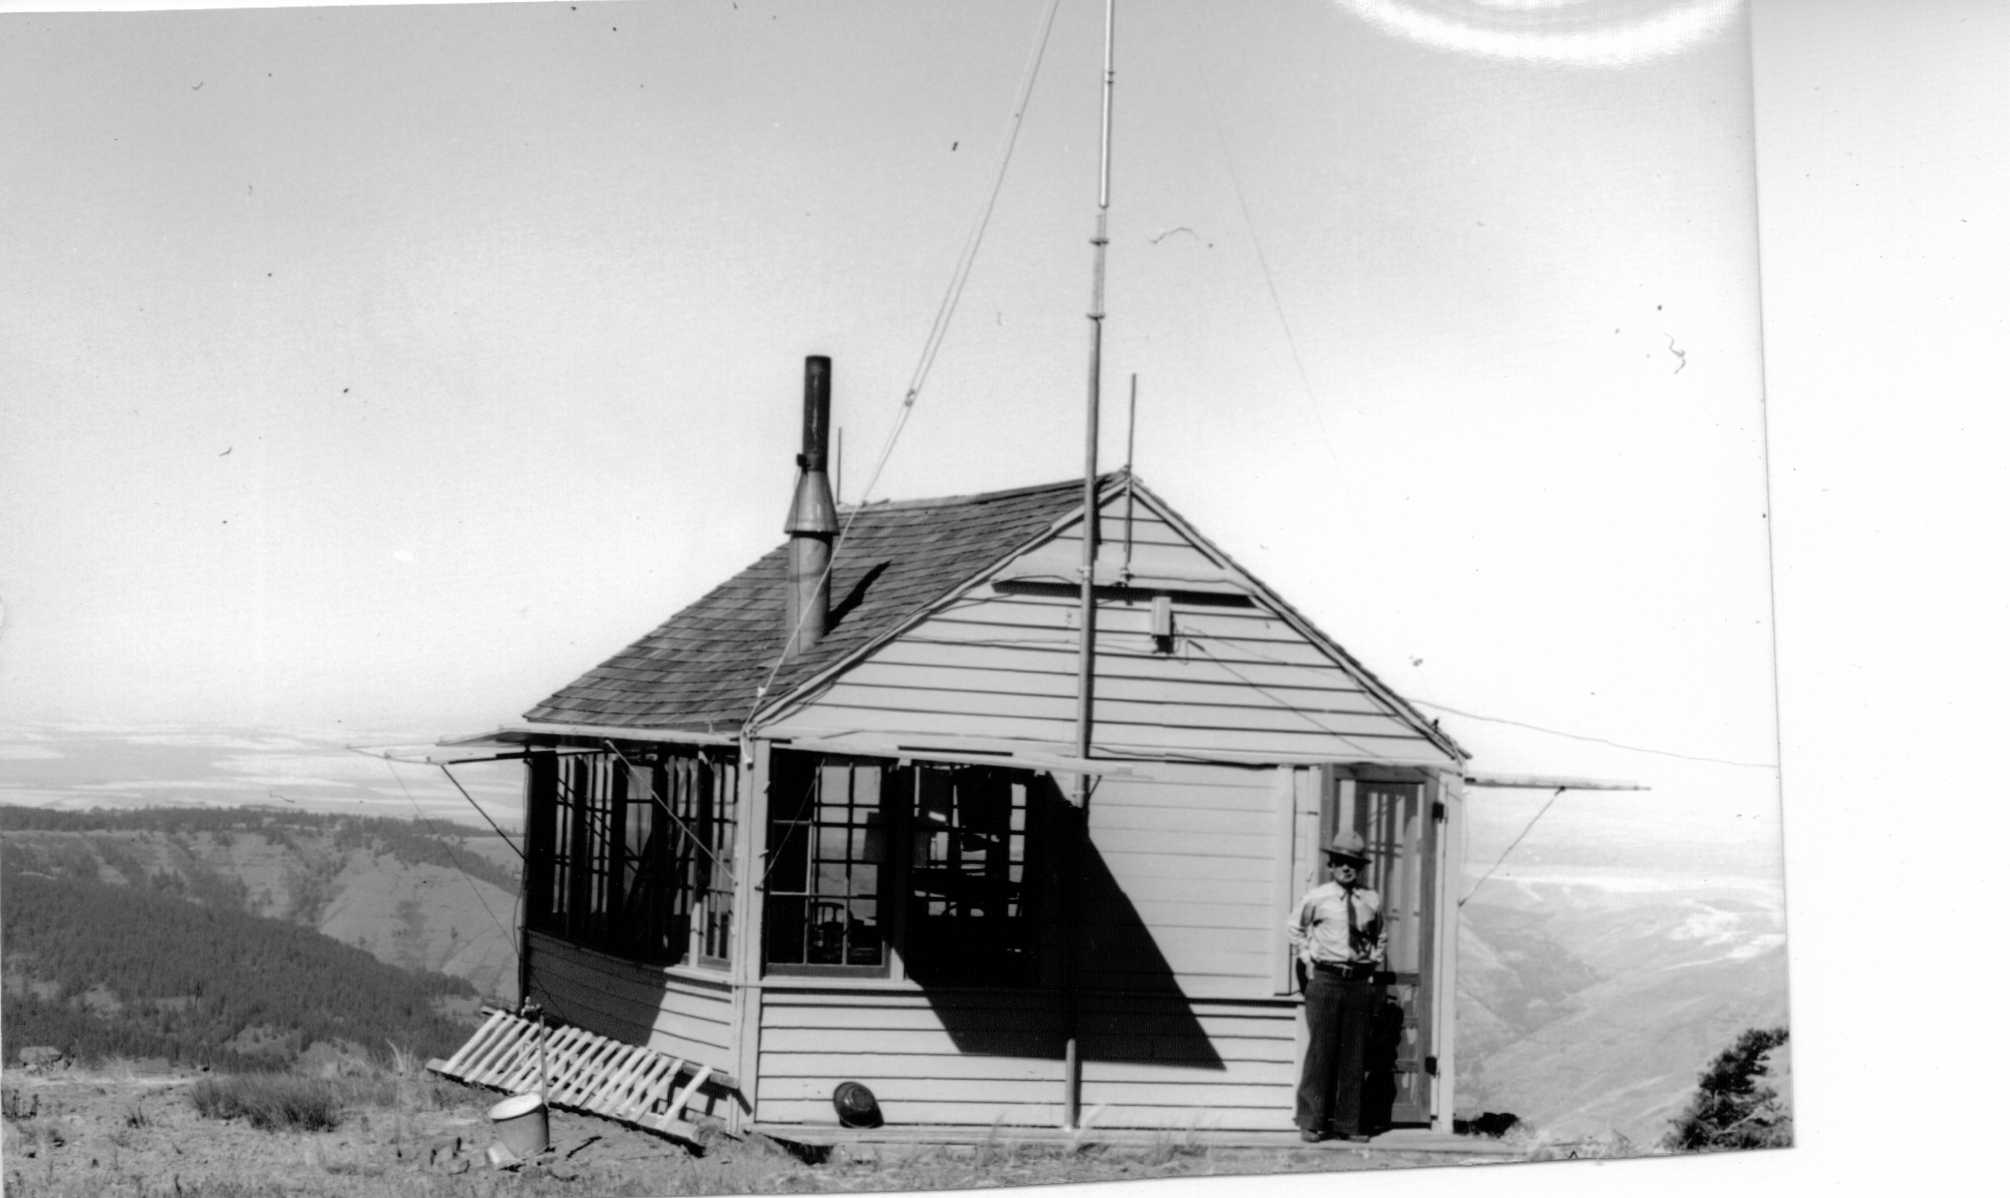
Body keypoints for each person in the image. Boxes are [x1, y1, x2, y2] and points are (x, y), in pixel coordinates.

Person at [1287, 829, 1387, 1143]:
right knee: (1321, 1052)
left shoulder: (1370, 899)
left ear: (1360, 868)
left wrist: (1373, 960)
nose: (1347, 868)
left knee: (1355, 1054)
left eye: (1353, 864)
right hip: (1326, 979)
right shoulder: (1317, 897)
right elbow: (1295, 928)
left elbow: (1380, 935)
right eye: (1341, 862)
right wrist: (1307, 958)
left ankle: (1349, 1122)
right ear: (1331, 865)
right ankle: (1312, 1121)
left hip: (1358, 981)